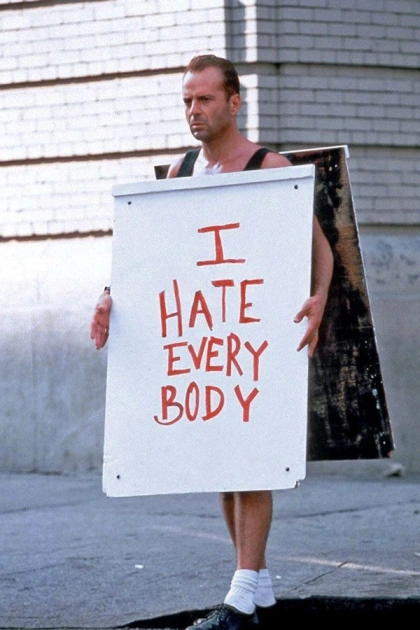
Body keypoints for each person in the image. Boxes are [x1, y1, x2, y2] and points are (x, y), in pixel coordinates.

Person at [91, 54, 334, 630]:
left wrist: (320, 296)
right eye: (186, 101)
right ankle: (258, 589)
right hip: (204, 336)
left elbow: (318, 245)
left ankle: (240, 594)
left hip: (255, 334)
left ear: (234, 102)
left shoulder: (267, 165)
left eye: (204, 99)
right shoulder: (181, 174)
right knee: (223, 462)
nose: (193, 111)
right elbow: (151, 257)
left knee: (254, 459)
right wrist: (109, 294)